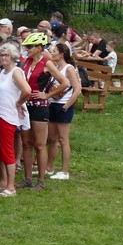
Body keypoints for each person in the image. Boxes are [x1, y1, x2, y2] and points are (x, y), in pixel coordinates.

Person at [19, 31, 67, 191]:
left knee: (39, 144)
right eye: (26, 46)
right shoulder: (25, 62)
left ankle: (40, 180)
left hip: (39, 107)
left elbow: (64, 82)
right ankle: (27, 178)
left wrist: (47, 95)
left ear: (39, 47)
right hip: (26, 106)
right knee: (26, 143)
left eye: (30, 47)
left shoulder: (47, 63)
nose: (27, 49)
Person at [0, 43, 32, 197]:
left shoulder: (16, 72)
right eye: (1, 55)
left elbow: (27, 90)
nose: (4, 57)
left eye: (7, 55)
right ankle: (3, 181)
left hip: (7, 115)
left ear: (13, 56)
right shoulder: (3, 72)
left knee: (7, 150)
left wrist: (19, 103)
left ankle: (11, 186)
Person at [47, 42, 82, 181]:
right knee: (52, 139)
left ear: (61, 54)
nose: (52, 53)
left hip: (63, 106)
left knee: (63, 139)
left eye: (54, 51)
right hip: (53, 105)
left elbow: (77, 89)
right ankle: (49, 168)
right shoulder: (55, 67)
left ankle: (65, 171)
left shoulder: (69, 68)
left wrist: (67, 106)